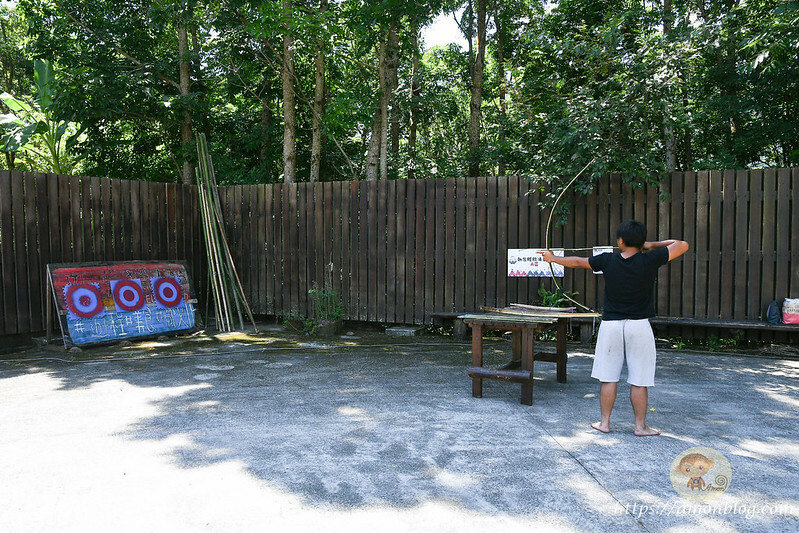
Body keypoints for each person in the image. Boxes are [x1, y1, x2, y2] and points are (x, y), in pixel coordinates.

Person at [541, 220, 689, 437]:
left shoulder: (608, 261)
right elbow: (682, 244)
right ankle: (640, 427)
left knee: (608, 377)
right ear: (640, 242)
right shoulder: (650, 259)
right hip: (639, 326)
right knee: (639, 380)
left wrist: (553, 259)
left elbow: (577, 262)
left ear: (620, 241)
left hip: (611, 326)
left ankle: (604, 423)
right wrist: (651, 245)